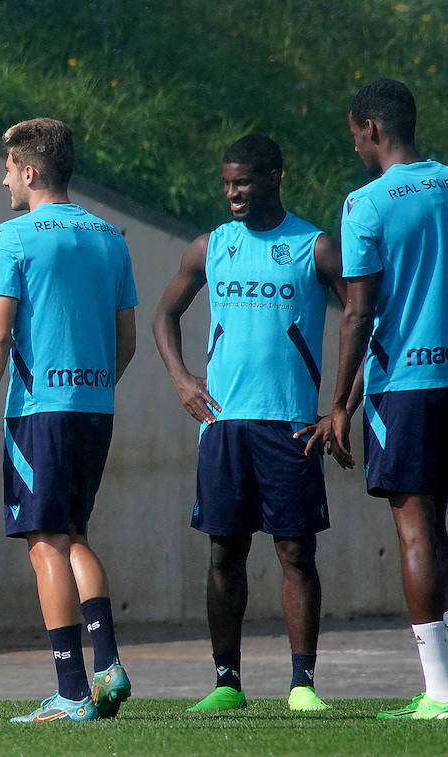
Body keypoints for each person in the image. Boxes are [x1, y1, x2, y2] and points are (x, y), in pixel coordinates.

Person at [153, 135, 348, 713]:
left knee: (295, 553)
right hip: (223, 426)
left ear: (275, 178)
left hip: (289, 426)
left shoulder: (315, 247)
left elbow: (365, 319)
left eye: (243, 182)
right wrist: (183, 380)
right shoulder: (211, 246)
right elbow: (165, 312)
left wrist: (340, 406)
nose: (232, 193)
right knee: (224, 553)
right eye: (227, 183)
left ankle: (302, 685)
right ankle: (226, 683)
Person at [0, 118, 136, 723]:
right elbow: (127, 339)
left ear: (30, 171)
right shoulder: (110, 235)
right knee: (76, 536)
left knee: (45, 543)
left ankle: (70, 691)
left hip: (39, 412)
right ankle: (108, 664)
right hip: (94, 408)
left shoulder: (13, 237)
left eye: (9, 167)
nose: (4, 177)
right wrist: (92, 387)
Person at [323, 78, 448, 720]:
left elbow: (358, 309)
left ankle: (439, 692)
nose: (355, 147)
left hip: (404, 386)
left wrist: (340, 401)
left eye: (353, 136)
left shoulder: (366, 203)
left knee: (417, 531)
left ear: (371, 128)